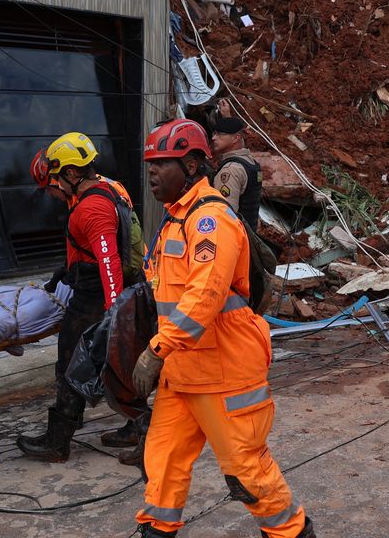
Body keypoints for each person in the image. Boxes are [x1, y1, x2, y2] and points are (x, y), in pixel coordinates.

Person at [132, 118, 314, 538]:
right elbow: (163, 292)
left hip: (223, 373)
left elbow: (204, 297)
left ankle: (291, 532)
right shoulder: (172, 221)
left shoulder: (211, 221)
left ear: (194, 165)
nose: (153, 174)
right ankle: (156, 530)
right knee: (162, 464)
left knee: (247, 473)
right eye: (150, 165)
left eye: (163, 163)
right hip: (182, 373)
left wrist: (155, 351)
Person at [18, 132, 147, 464]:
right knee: (118, 363)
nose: (55, 190)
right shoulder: (109, 188)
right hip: (114, 288)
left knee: (72, 362)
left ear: (73, 174)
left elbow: (109, 261)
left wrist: (113, 313)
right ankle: (136, 428)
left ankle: (57, 442)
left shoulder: (90, 209)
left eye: (57, 180)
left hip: (96, 298)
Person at [208, 115, 262, 231]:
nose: (214, 138)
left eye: (220, 134)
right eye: (214, 133)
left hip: (233, 238)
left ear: (235, 138)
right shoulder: (251, 162)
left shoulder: (231, 169)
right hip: (247, 236)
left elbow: (225, 216)